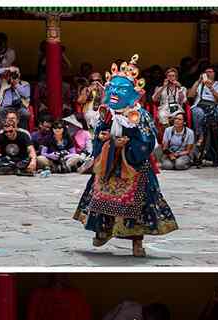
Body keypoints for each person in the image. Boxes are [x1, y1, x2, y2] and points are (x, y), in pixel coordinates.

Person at [74, 54, 178, 258]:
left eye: (121, 90)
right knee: (100, 197)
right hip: (109, 162)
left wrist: (127, 145)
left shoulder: (140, 115)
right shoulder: (106, 112)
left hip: (133, 164)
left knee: (138, 204)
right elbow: (99, 135)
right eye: (113, 89)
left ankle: (137, 242)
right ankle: (102, 231)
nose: (115, 93)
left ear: (132, 94)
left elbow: (147, 141)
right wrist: (104, 140)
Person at [188, 66, 218, 144]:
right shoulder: (199, 84)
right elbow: (190, 96)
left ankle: (213, 138)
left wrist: (211, 88)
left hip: (214, 106)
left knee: (214, 114)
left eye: (210, 72)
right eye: (206, 72)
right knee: (198, 112)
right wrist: (198, 82)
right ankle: (200, 135)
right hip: (199, 105)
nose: (207, 73)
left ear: (215, 74)